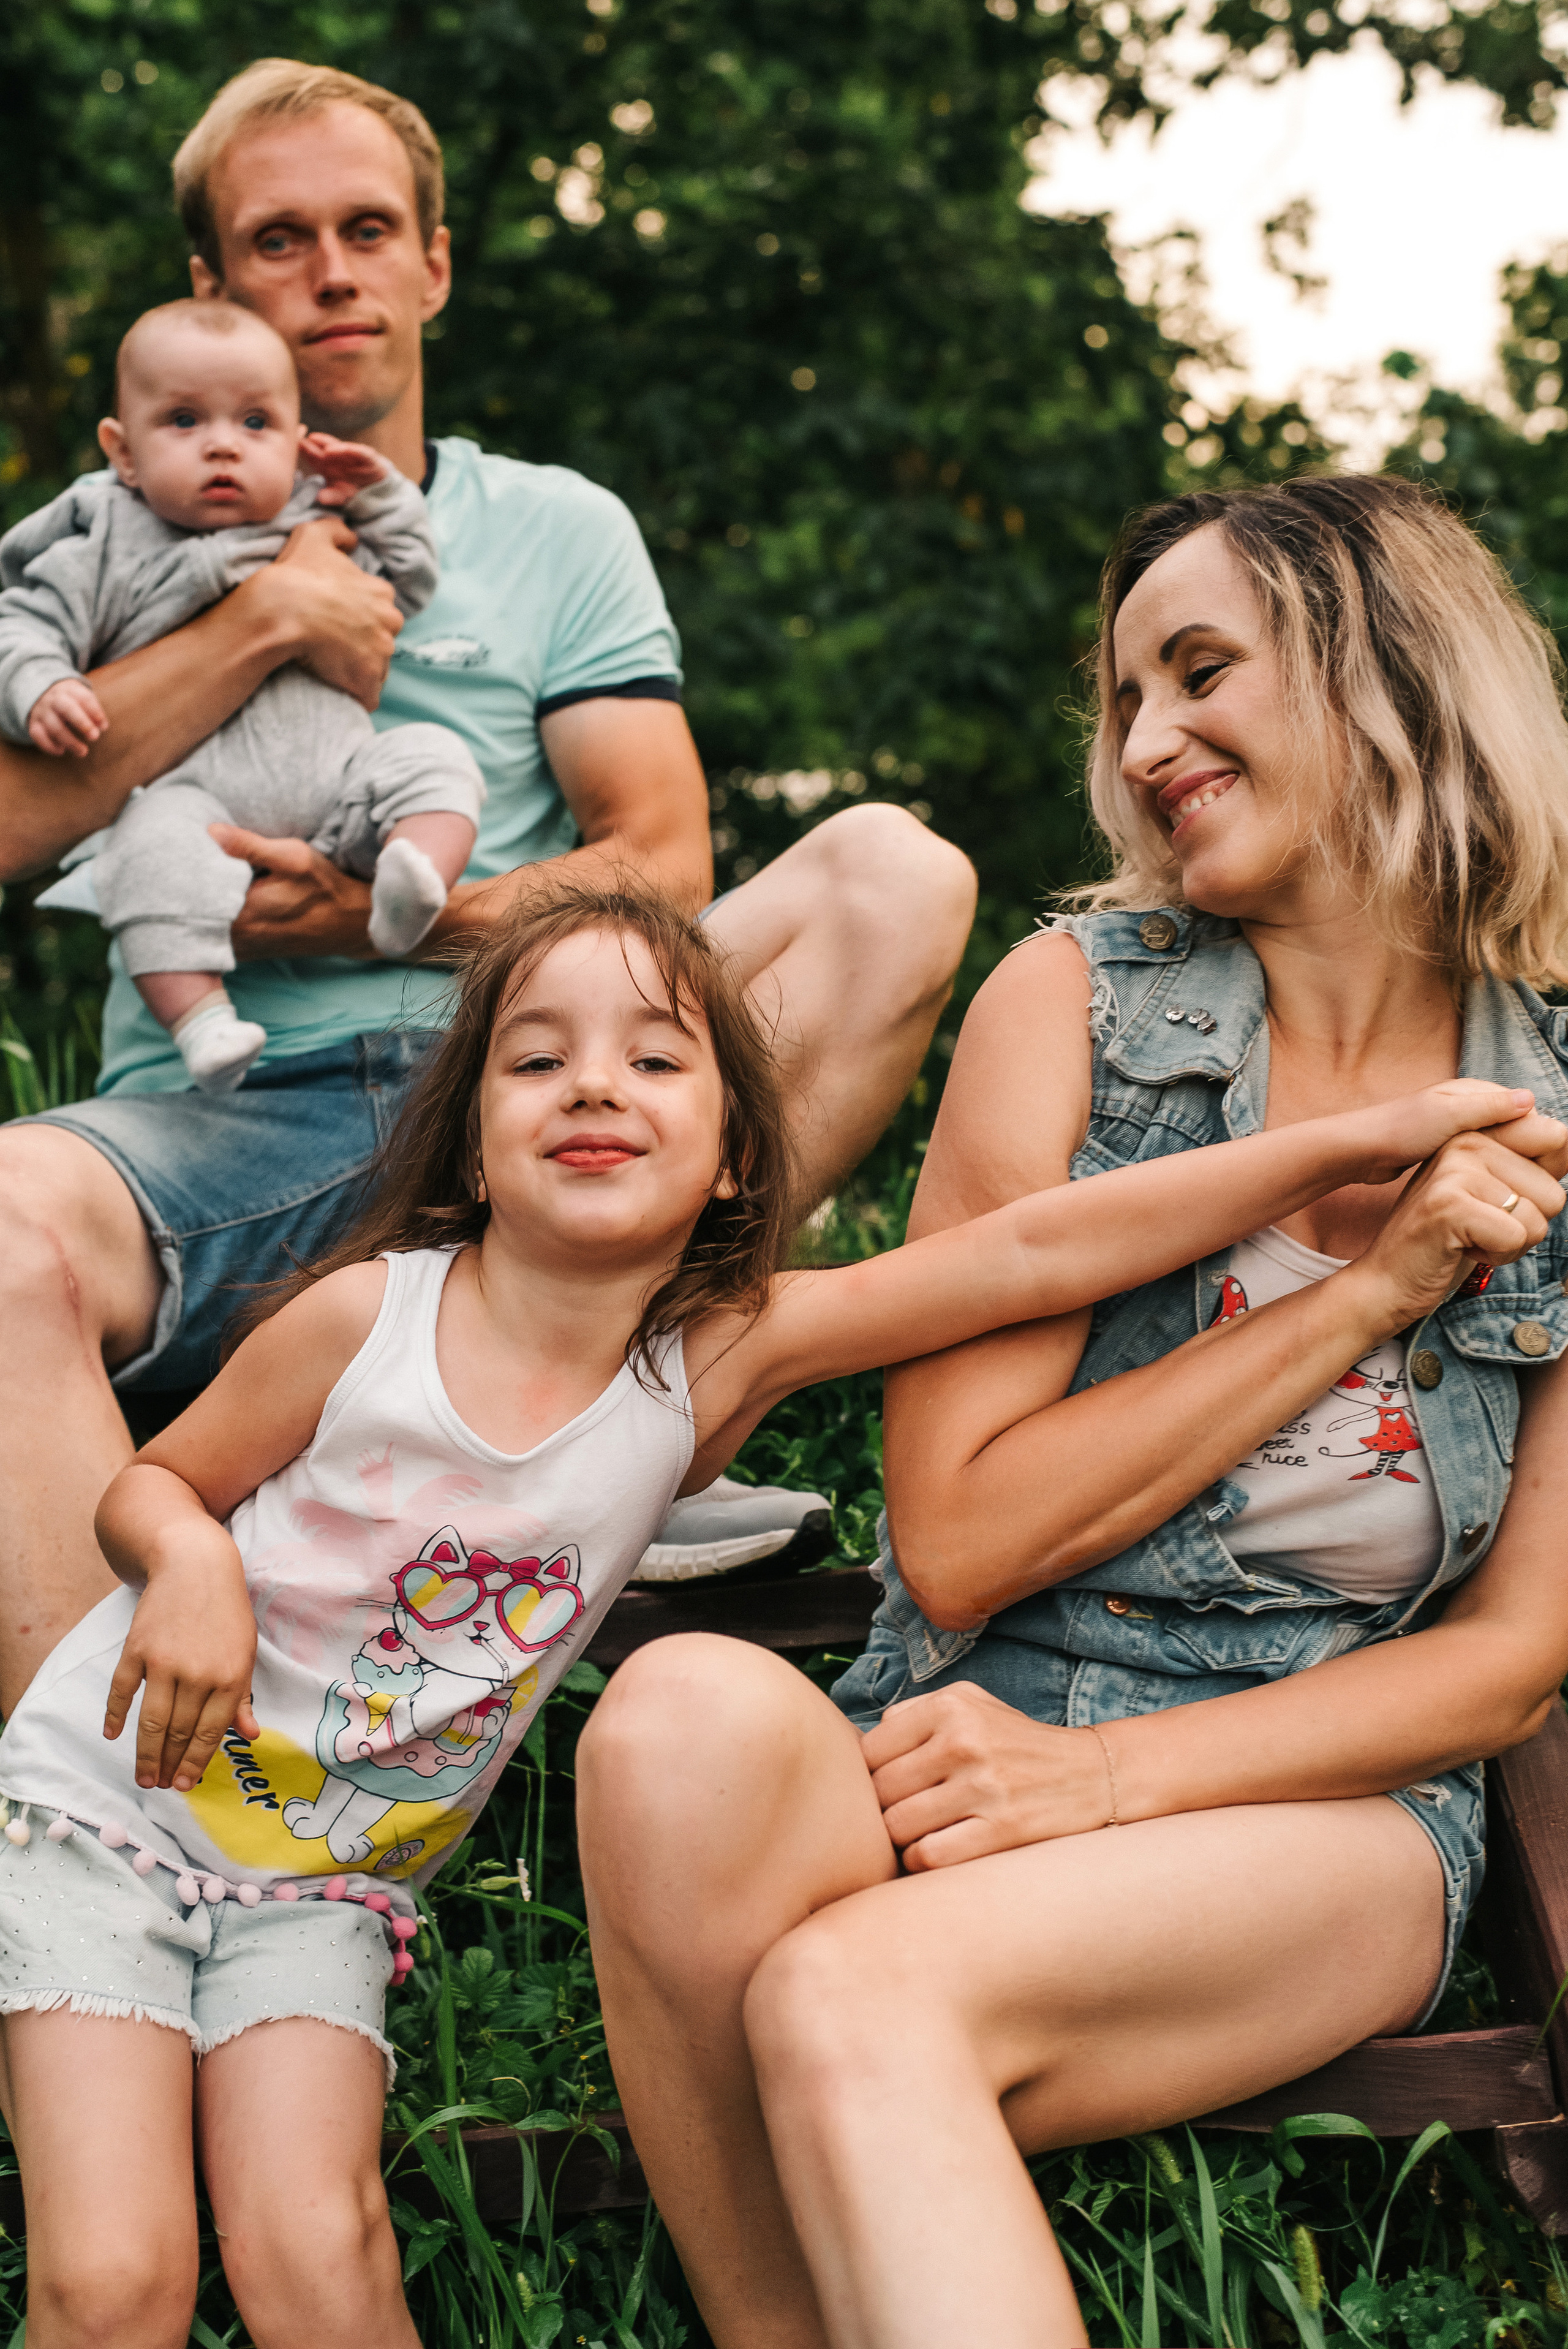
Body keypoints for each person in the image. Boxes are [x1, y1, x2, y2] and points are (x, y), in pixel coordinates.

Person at [0, 876, 1516, 2349]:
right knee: (121, 2285)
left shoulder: (715, 1356)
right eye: (537, 1058)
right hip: (108, 1811)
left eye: (655, 1058)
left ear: (732, 1156)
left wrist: (1365, 1142)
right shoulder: (364, 1319)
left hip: (317, 1891)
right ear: (471, 1139)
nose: (593, 1085)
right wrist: (190, 1562)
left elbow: (1033, 1247)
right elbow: (154, 1489)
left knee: (320, 2260)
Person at [576, 474, 1568, 2349]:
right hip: (963, 1730)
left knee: (857, 1993)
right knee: (676, 1716)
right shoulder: (1080, 1004)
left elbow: (1513, 1661)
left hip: (1313, 1797)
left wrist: (1107, 1781)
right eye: (1126, 698)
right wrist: (1369, 1291)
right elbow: (959, 1529)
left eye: (1201, 672)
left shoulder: (1566, 1089)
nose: (1147, 741)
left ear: (1389, 674)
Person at [0, 59, 977, 1719]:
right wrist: (263, 621)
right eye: (279, 237)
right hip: (218, 1121)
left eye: (368, 229)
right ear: (209, 285)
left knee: (895, 873)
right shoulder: (99, 531)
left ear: (434, 265)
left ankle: (636, 1408)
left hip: (521, 1091)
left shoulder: (552, 527)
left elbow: (661, 863)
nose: (330, 270)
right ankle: (94, 1801)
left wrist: (407, 915)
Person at [1, 298, 486, 1090]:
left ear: (298, 444)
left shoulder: (316, 518)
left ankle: (412, 878)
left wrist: (383, 495)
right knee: (146, 854)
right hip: (197, 807)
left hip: (341, 793)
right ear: (123, 453)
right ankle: (203, 1024)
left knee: (433, 757)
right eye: (185, 421)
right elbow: (20, 625)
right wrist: (39, 684)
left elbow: (412, 579)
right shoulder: (102, 543)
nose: (223, 444)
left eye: (256, 424)